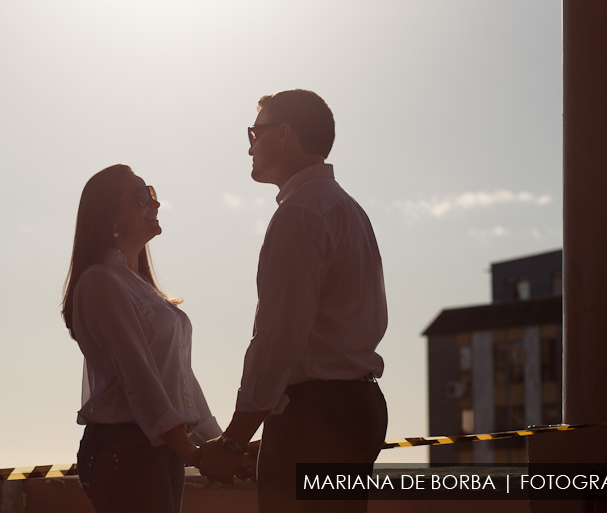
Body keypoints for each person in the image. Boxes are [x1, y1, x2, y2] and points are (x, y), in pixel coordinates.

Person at [194, 90, 389, 512]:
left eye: (256, 132)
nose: (250, 145)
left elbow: (280, 339)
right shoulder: (348, 209)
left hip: (317, 417)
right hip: (356, 407)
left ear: (284, 133)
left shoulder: (301, 213)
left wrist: (233, 439)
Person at [61, 164, 221, 513]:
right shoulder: (100, 282)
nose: (155, 202)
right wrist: (193, 451)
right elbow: (140, 377)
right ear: (110, 217)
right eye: (141, 196)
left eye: (152, 192)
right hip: (126, 451)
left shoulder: (143, 289)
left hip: (162, 449)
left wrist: (218, 442)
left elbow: (178, 376)